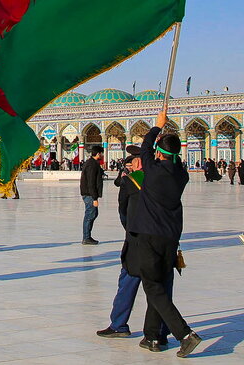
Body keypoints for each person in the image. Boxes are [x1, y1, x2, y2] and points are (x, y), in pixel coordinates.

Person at [125, 110, 202, 357]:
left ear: (160, 153)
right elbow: (151, 150)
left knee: (153, 287)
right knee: (156, 286)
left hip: (148, 236)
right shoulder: (182, 175)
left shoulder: (153, 171)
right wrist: (159, 137)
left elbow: (145, 147)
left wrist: (157, 126)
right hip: (170, 238)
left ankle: (185, 334)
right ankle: (153, 337)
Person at [97, 145, 171, 346]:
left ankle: (119, 324)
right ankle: (159, 333)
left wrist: (131, 232)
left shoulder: (130, 182)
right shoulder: (166, 179)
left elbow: (123, 213)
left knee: (128, 282)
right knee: (160, 288)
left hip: (137, 242)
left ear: (137, 162)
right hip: (164, 240)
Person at [80, 146, 105, 245]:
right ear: (98, 153)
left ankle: (87, 236)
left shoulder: (93, 163)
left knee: (92, 214)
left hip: (89, 194)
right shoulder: (92, 165)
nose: (102, 155)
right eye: (101, 153)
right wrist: (94, 197)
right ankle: (86, 237)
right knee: (90, 215)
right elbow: (91, 182)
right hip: (89, 194)